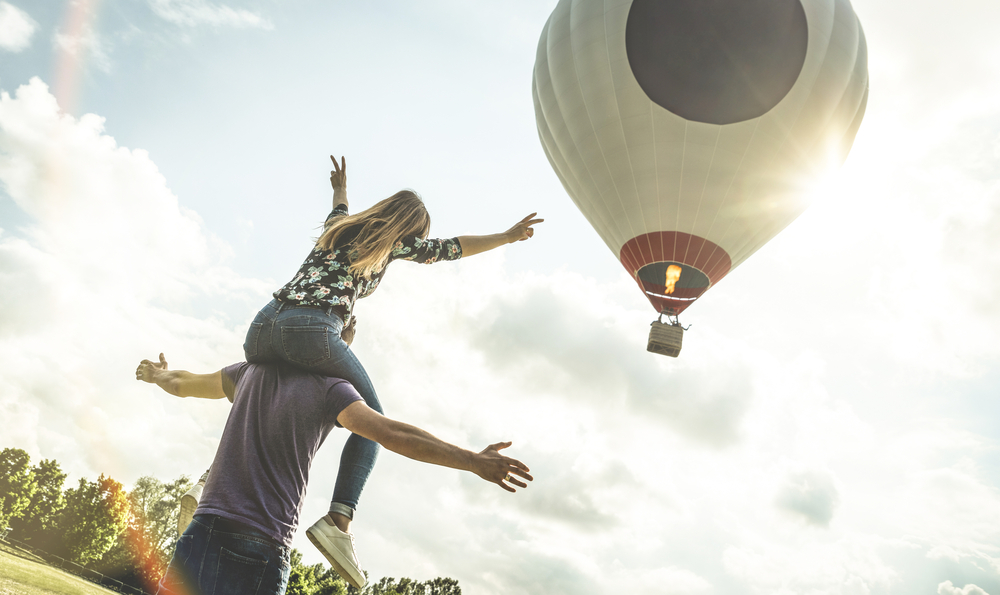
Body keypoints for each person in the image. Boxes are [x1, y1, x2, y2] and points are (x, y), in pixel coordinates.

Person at [241, 156, 542, 568]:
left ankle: (212, 480)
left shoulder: (338, 228)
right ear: (409, 229)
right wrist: (506, 237)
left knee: (259, 391)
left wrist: (340, 186)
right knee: (371, 421)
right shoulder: (396, 241)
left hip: (261, 328)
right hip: (310, 331)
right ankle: (339, 520)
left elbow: (341, 205)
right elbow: (453, 248)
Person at [136, 353, 531, 594]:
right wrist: (472, 460)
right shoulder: (332, 389)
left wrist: (156, 375)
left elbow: (181, 382)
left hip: (203, 531)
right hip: (259, 543)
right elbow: (392, 433)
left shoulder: (247, 373)